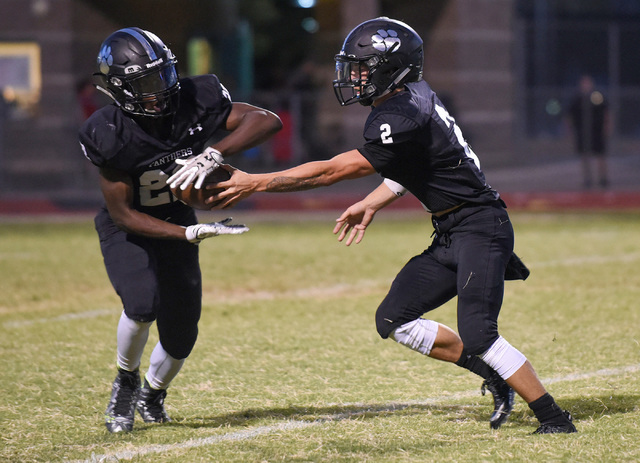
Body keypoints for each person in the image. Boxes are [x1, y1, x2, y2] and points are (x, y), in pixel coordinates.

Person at [176, 17, 577, 434]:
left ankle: (554, 418)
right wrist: (372, 200)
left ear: (392, 68)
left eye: (362, 67)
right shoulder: (412, 96)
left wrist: (256, 181)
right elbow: (419, 162)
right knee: (395, 318)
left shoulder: (401, 114)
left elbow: (330, 172)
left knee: (478, 332)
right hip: (451, 230)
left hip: (481, 226)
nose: (353, 76)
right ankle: (495, 375)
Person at [78, 27, 282, 433]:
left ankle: (152, 392)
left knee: (182, 331)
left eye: (165, 75)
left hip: (179, 217)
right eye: (146, 83)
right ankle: (126, 380)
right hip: (132, 228)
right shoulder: (109, 133)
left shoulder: (195, 98)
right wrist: (187, 235)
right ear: (119, 88)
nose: (162, 89)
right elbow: (123, 215)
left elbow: (266, 120)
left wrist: (215, 151)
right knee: (141, 302)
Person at [567, 75, 612, 189]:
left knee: (600, 155)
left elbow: (606, 111)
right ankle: (587, 179)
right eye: (584, 83)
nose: (586, 86)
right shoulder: (577, 99)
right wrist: (569, 130)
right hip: (582, 132)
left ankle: (603, 179)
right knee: (584, 156)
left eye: (588, 83)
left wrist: (607, 126)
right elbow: (569, 115)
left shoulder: (597, 97)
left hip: (596, 131)